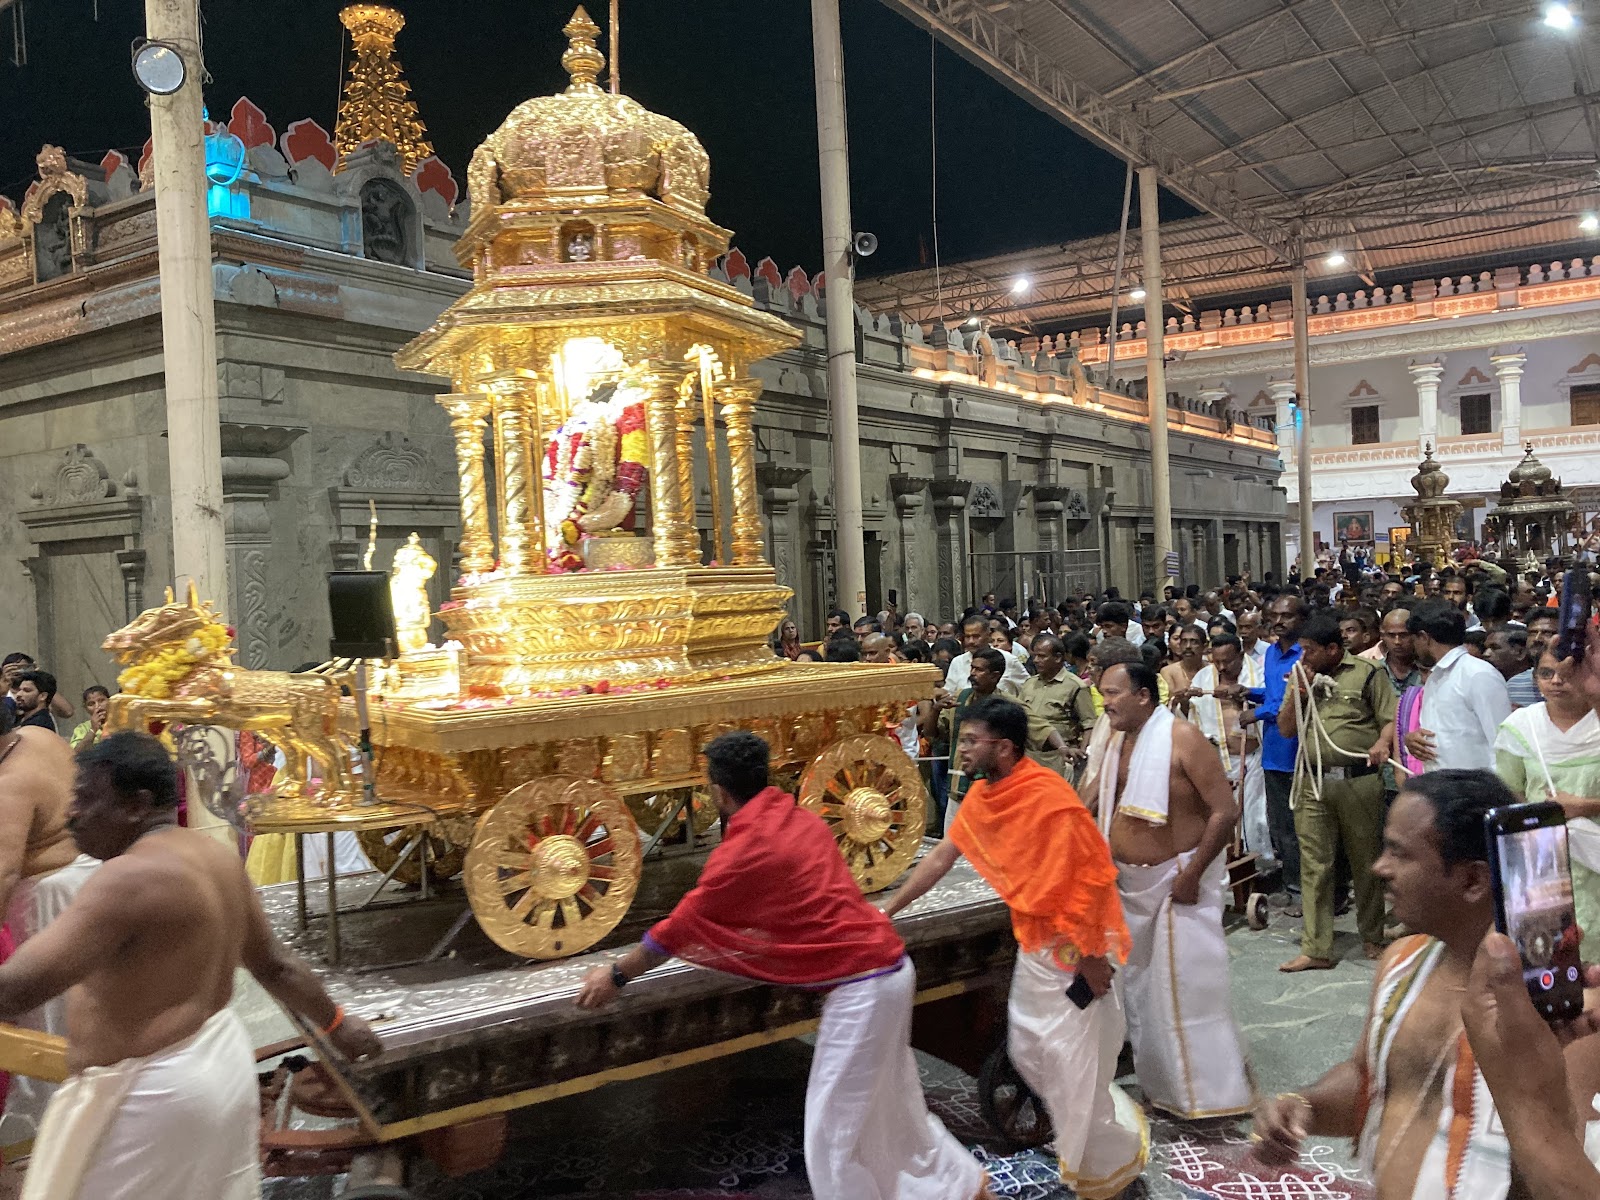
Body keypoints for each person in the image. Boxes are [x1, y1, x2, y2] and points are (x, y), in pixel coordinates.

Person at [579, 731, 988, 1200]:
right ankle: (956, 1188)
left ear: (718, 791)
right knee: (891, 1112)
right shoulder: (800, 819)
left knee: (831, 1134)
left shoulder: (744, 850)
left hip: (865, 986)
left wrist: (614, 976)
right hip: (887, 968)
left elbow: (680, 925)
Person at [0, 731, 381, 1199]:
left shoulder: (127, 879)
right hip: (213, 1069)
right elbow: (276, 966)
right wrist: (339, 1026)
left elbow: (14, 991)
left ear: (137, 806)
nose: (70, 815)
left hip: (152, 1100)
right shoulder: (212, 856)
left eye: (86, 800)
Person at [1252, 769, 1600, 1200]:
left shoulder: (1570, 1017)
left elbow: (1571, 1173)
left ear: (1472, 880)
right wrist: (1305, 1105)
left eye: (1400, 854)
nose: (1380, 868)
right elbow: (1372, 1082)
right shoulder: (1403, 963)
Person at [885, 698, 1148, 1199]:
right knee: (1031, 1051)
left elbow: (1087, 881)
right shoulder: (984, 800)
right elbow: (942, 855)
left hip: (1077, 947)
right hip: (1036, 942)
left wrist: (1093, 958)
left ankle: (1100, 1168)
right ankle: (1095, 1142)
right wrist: (890, 909)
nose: (960, 749)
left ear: (1002, 747)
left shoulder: (1049, 797)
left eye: (970, 741)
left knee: (1070, 1060)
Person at [1086, 662, 1252, 1119]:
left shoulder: (1183, 738)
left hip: (1178, 879)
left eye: (1114, 693)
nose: (1106, 702)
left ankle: (1212, 1096)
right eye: (1102, 693)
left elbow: (1224, 810)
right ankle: (1164, 1089)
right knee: (1142, 992)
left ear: (1143, 695)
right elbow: (1097, 797)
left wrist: (1193, 874)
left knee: (1188, 988)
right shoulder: (1116, 738)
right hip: (1128, 883)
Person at [0, 702, 101, 1146]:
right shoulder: (39, 737)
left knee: (47, 1018)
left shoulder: (10, 784)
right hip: (88, 876)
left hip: (50, 899)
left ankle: (52, 1128)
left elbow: (2, 873)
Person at [1274, 614, 1395, 971]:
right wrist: (1300, 691)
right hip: (1313, 781)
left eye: (1310, 650)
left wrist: (1382, 744)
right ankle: (1316, 947)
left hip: (1359, 780)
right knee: (1315, 865)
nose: (1304, 657)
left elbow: (1389, 717)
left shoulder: (1368, 672)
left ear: (1332, 649)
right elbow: (1284, 729)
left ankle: (1372, 936)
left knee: (1366, 861)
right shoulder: (1298, 676)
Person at [1494, 649, 1600, 937]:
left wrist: (1585, 806)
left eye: (1567, 675)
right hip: (1542, 862)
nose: (1556, 681)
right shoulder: (1521, 727)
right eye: (1546, 673)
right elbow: (1510, 795)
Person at [1242, 593, 1307, 907]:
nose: (1279, 622)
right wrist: (1249, 694)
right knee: (1280, 825)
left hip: (1300, 751)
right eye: (1276, 616)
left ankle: (1301, 891)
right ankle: (1292, 882)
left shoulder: (1305, 654)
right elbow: (1273, 692)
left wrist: (1256, 712)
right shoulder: (1270, 654)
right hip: (1274, 751)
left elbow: (1289, 700)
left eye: (1287, 616)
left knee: (1301, 827)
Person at [1403, 600, 1512, 773]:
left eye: (1414, 639)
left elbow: (1505, 746)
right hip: (1441, 788)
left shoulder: (1478, 674)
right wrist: (1414, 741)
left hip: (1477, 791)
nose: (1413, 647)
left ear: (1424, 637)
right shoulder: (1435, 677)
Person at [1190, 633, 1270, 867]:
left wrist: (1241, 698)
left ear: (1241, 655)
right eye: (1217, 662)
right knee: (1219, 815)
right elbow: (1193, 715)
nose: (1222, 667)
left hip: (1252, 758)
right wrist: (1188, 699)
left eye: (1228, 661)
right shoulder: (1203, 678)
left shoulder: (1259, 675)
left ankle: (1258, 863)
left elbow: (1270, 706)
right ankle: (1224, 863)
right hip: (1216, 760)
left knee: (1255, 815)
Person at [925, 647, 1007, 830]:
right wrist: (936, 709)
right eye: (972, 668)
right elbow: (931, 734)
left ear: (995, 676)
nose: (973, 674)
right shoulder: (960, 697)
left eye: (979, 670)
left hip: (988, 794)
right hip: (956, 792)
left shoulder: (1004, 706)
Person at [1017, 633, 1096, 778]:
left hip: (1058, 757)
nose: (1036, 660)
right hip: (1028, 756)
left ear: (1058, 658)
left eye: (1042, 656)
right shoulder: (1029, 684)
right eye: (1034, 656)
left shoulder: (1075, 686)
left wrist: (1081, 754)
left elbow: (1089, 723)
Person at [944, 614, 1027, 697]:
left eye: (976, 636)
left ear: (988, 635)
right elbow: (950, 693)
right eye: (967, 637)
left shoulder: (1008, 659)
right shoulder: (957, 662)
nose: (971, 641)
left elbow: (1027, 689)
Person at [1159, 624, 1207, 715]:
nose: (1188, 646)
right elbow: (1168, 705)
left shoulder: (1212, 670)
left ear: (1204, 646)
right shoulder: (1168, 671)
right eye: (1184, 642)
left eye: (1194, 642)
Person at [1485, 627, 1536, 707]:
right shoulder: (1485, 682)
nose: (1486, 653)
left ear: (1520, 653)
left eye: (1494, 648)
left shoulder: (1540, 685)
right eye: (1486, 648)